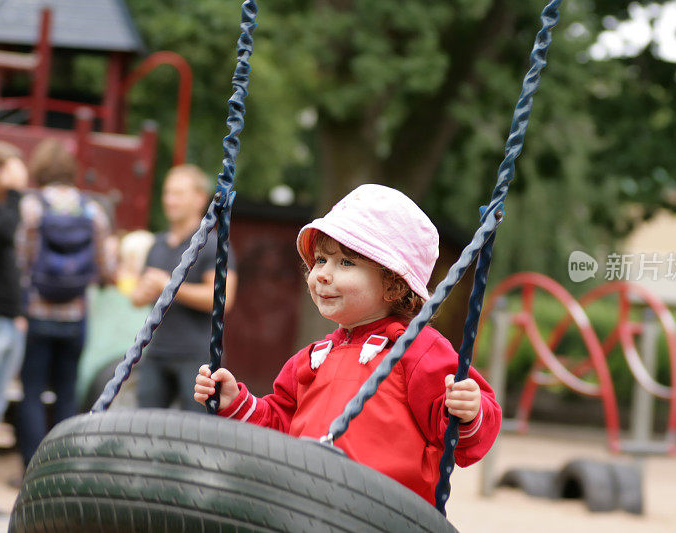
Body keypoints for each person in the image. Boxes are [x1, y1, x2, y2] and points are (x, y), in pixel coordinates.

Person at [194, 184, 501, 506]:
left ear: (394, 285)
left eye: (346, 263)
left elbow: (463, 443)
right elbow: (280, 427)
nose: (322, 274)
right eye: (321, 260)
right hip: (307, 505)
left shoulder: (417, 350)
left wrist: (468, 411)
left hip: (382, 513)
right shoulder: (312, 359)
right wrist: (235, 402)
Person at [16, 139, 113, 469]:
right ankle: (60, 465)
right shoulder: (92, 209)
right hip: (75, 315)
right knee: (67, 392)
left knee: (31, 392)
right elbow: (105, 265)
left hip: (37, 314)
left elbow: (21, 260)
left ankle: (30, 467)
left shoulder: (32, 207)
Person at [131, 164, 238, 412]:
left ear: (200, 197)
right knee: (143, 427)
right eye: (167, 193)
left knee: (195, 432)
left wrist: (169, 286)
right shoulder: (156, 244)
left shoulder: (213, 245)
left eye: (178, 194)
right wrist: (142, 292)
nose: (170, 200)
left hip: (197, 357)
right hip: (156, 351)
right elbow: (138, 297)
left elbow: (223, 299)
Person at [0, 142, 28, 514]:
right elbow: (0, 233)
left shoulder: (4, 208)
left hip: (6, 321)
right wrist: (15, 192)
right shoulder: (3, 211)